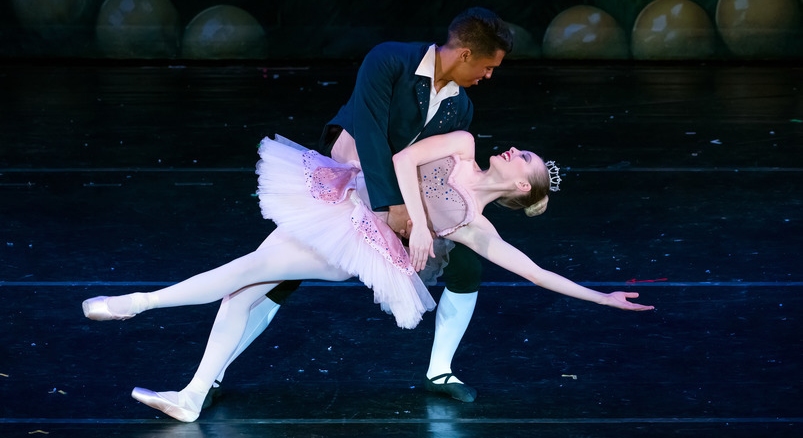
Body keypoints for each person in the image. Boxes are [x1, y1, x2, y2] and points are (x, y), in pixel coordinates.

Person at [82, 130, 654, 423]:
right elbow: (403, 160)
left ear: (522, 187)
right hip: (340, 200)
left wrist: (603, 298)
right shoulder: (460, 146)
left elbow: (535, 272)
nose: (513, 149)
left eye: (523, 158)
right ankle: (189, 396)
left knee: (247, 272)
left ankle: (141, 303)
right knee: (241, 292)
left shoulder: (477, 228)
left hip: (353, 245)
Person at [206, 6, 528, 405]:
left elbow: (432, 168)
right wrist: (391, 204)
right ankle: (212, 376)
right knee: (277, 275)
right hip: (346, 180)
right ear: (465, 54)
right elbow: (371, 133)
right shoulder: (391, 59)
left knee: (466, 266)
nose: (489, 76)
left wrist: (426, 216)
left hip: (398, 197)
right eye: (488, 66)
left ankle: (440, 371)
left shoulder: (459, 108)